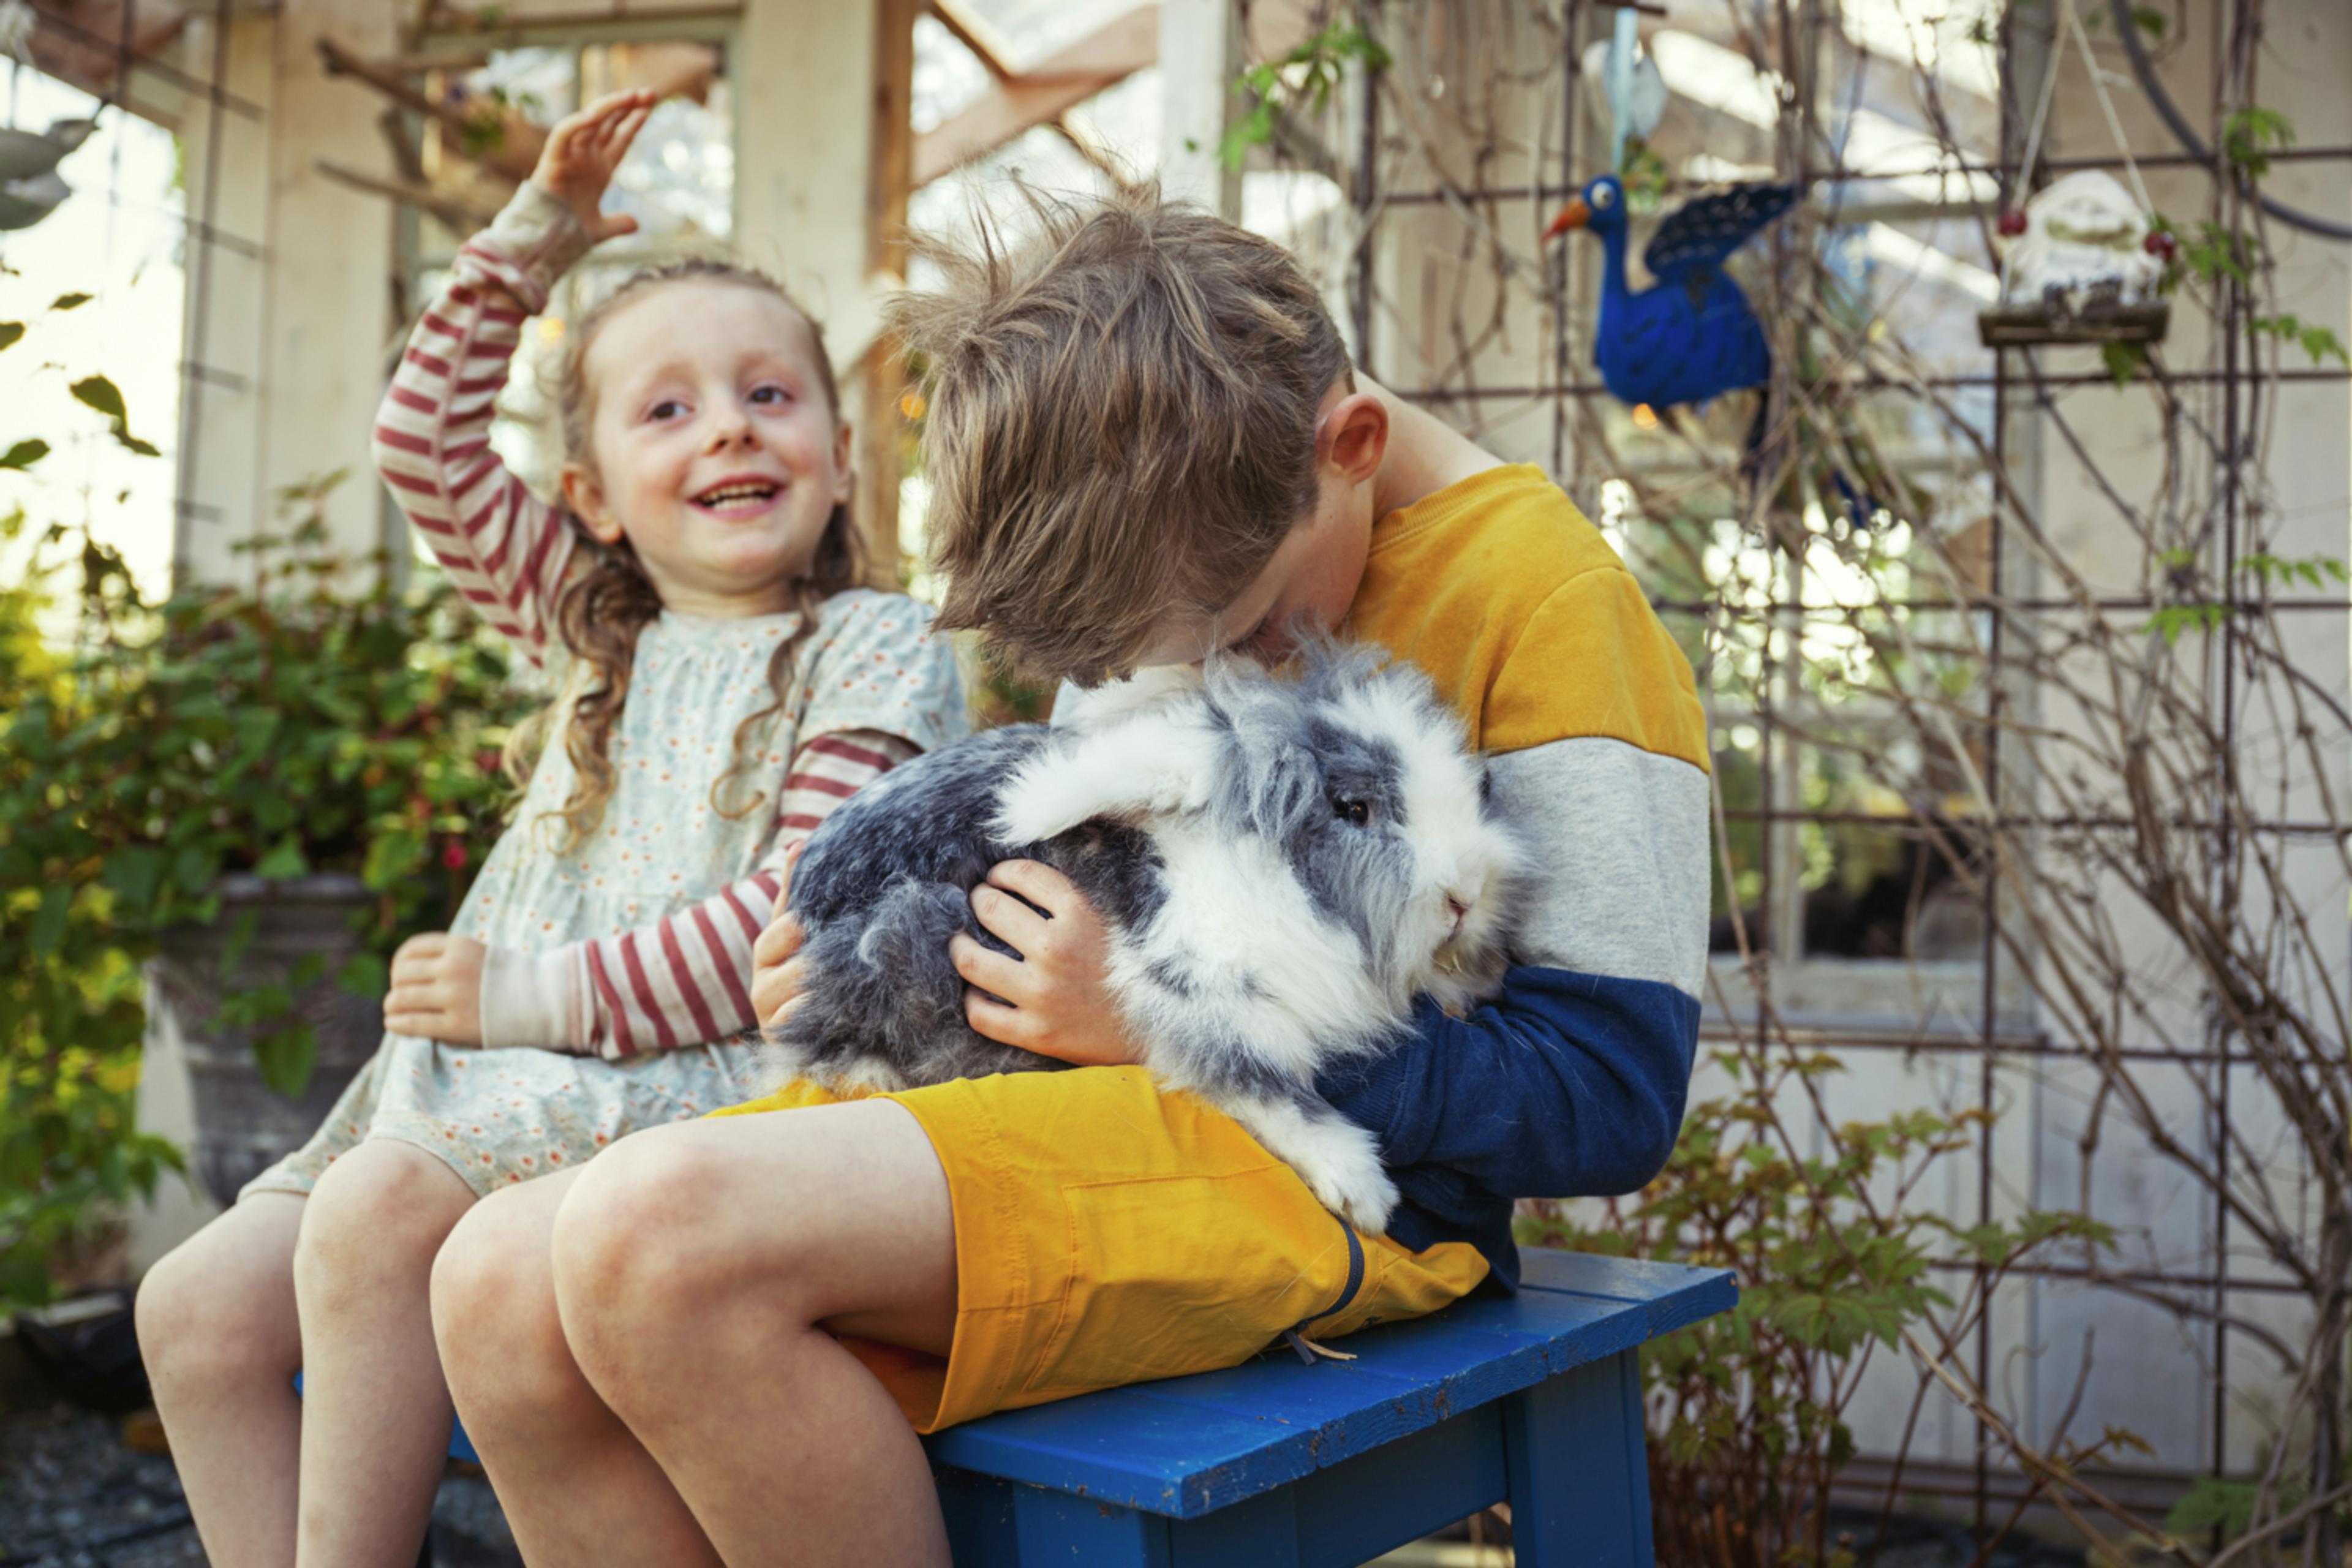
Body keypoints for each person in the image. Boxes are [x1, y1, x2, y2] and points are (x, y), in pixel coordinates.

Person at [427, 184, 1709, 1567]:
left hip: (1337, 1189)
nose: (1227, 669)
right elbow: (1072, 881)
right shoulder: (1182, 542)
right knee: (494, 1280)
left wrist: (1170, 1021)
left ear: (1347, 447)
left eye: (1260, 628)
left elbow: (1609, 1096)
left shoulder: (1550, 599)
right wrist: (861, 971)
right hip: (1066, 1117)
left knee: (651, 1237)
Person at [132, 91, 963, 1568]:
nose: (728, 424)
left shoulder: (872, 644)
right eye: (668, 407)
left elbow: (799, 911)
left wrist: (535, 995)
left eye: (771, 395)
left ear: (841, 450)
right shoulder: (593, 625)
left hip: (674, 1092)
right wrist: (529, 245)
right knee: (189, 1311)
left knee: (381, 1209)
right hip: (459, 1097)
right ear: (588, 494)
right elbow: (423, 444)